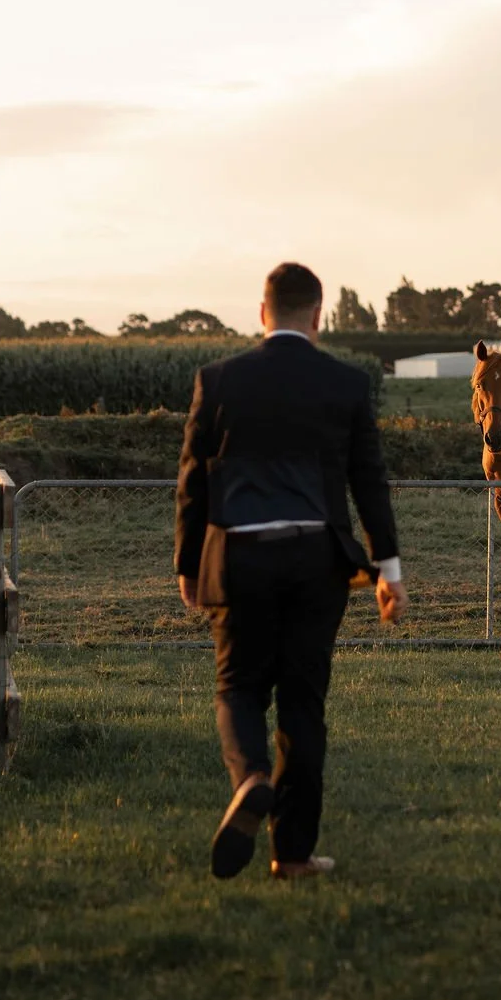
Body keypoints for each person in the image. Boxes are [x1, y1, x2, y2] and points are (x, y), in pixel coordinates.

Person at [176, 262, 407, 881]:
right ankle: (293, 854)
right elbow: (370, 482)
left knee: (238, 687)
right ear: (318, 316)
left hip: (239, 557)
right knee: (304, 703)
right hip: (314, 562)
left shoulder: (219, 379)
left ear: (262, 312)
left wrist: (188, 565)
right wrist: (389, 568)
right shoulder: (345, 384)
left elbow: (193, 480)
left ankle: (250, 777)